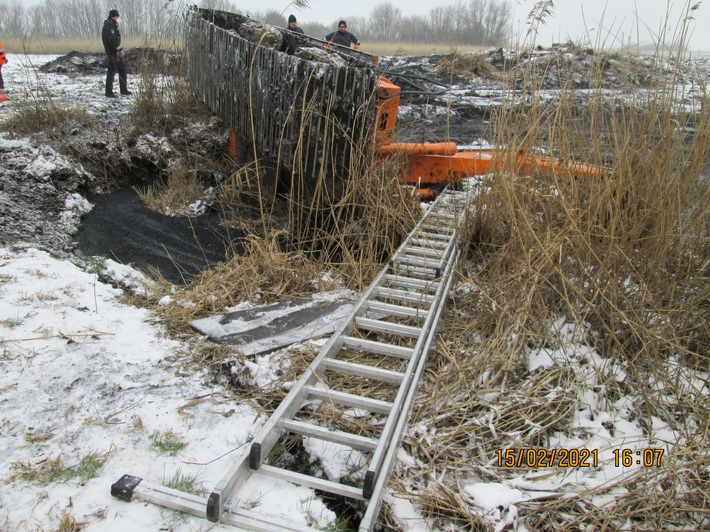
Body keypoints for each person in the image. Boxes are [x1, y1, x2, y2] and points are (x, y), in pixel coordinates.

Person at [101, 9, 131, 98]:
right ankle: (109, 92)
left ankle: (123, 90)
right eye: (117, 16)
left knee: (122, 69)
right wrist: (119, 49)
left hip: (115, 51)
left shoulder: (112, 24)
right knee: (112, 70)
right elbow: (111, 40)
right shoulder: (109, 25)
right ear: (114, 16)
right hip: (112, 52)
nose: (118, 18)